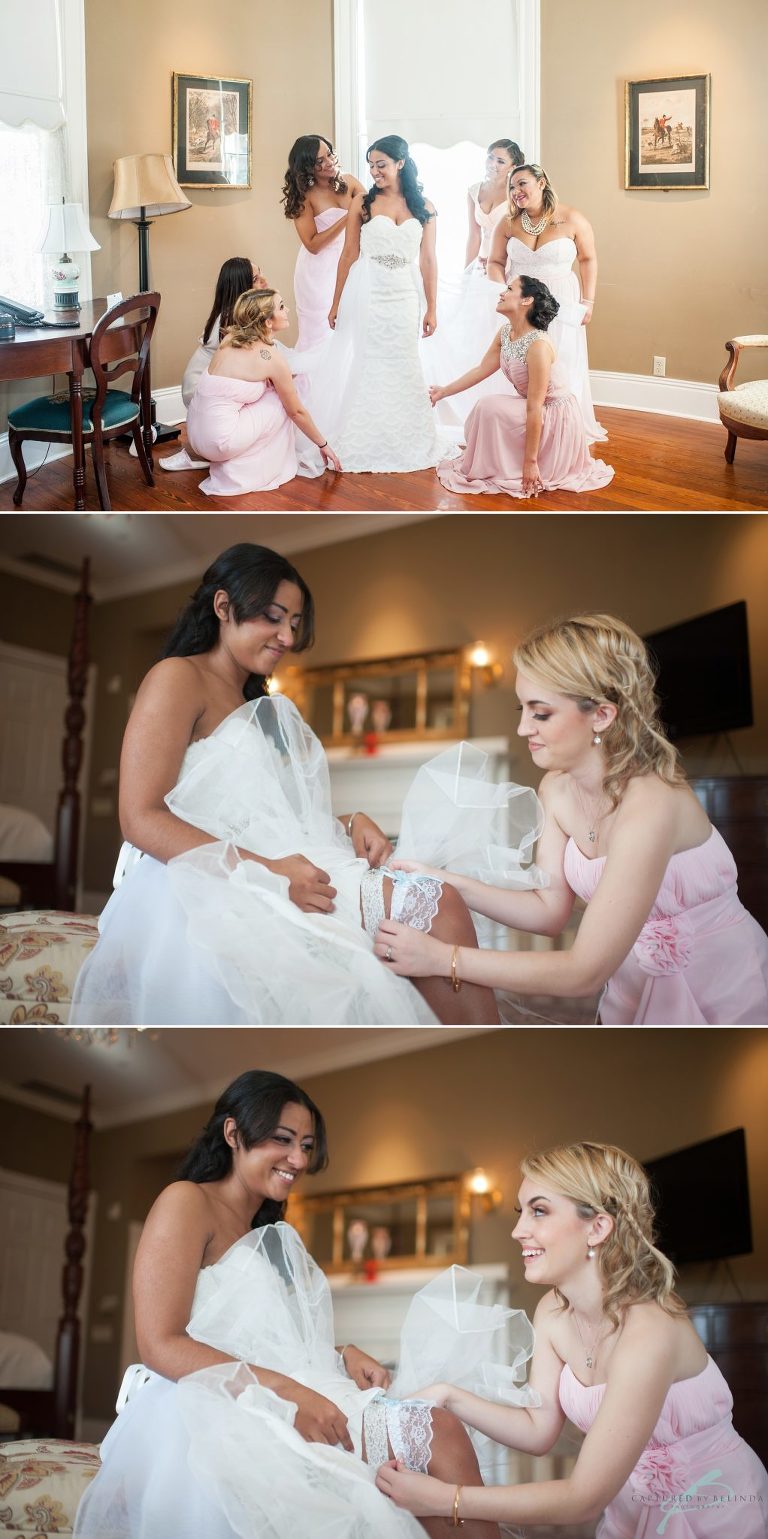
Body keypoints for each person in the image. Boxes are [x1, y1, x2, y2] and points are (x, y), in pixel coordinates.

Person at [69, 543, 513, 1026]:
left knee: (437, 900)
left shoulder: (251, 702)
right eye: (273, 617)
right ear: (223, 607)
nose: (286, 636)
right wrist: (273, 874)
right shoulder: (177, 678)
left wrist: (350, 821)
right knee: (427, 908)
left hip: (277, 861)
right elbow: (140, 818)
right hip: (215, 876)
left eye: (294, 623)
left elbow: (267, 816)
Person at [73, 1070, 512, 1538]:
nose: (298, 1158)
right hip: (232, 1405)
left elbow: (266, 1336)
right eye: (283, 1140)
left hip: (291, 1386)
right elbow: (159, 1344)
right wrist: (291, 1395)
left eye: (306, 1145)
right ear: (233, 1133)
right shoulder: (187, 1202)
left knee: (429, 1461)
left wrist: (344, 1353)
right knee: (434, 1438)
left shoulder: (268, 1231)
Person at [376, 612, 768, 1024]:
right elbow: (548, 910)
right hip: (634, 983)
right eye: (522, 708)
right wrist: (447, 880)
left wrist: (442, 958)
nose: (523, 727)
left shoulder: (652, 805)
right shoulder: (556, 790)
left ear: (601, 715)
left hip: (724, 987)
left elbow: (584, 972)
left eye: (540, 713)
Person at [376, 1140, 768, 1534]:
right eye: (521, 1211)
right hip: (631, 1511)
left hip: (716, 1510)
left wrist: (445, 1499)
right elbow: (537, 1428)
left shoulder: (650, 1331)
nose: (517, 1230)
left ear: (597, 1227)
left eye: (539, 1211)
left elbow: (583, 1498)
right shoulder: (552, 1310)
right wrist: (448, 1395)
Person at [298, 134, 459, 474]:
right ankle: (365, 435)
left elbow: (429, 260)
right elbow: (348, 254)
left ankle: (410, 434)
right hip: (369, 293)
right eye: (370, 165)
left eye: (381, 165)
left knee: (404, 359)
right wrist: (336, 302)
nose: (374, 172)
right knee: (370, 361)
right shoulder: (364, 203)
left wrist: (432, 307)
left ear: (401, 163)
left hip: (405, 295)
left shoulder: (425, 207)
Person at [431, 275, 614, 499]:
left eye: (509, 289)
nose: (501, 292)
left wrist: (531, 464)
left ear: (526, 300)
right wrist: (442, 392)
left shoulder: (538, 345)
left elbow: (535, 407)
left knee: (490, 408)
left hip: (555, 415)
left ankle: (515, 465)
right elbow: (481, 370)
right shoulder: (506, 333)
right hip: (535, 406)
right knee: (485, 406)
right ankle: (492, 465)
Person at [487, 163, 606, 442]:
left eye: (522, 184)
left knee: (560, 361)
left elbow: (588, 259)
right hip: (521, 302)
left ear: (541, 183)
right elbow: (495, 262)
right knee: (521, 361)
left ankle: (561, 427)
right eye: (512, 187)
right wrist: (505, 290)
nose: (516, 191)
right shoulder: (507, 223)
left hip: (560, 300)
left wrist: (588, 301)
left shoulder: (572, 218)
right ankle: (524, 425)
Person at [184, 289, 341, 495]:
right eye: (282, 307)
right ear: (268, 322)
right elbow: (297, 412)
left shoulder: (229, 338)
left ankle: (243, 459)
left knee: (270, 390)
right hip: (218, 443)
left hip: (194, 436)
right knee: (282, 399)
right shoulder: (271, 358)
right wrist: (323, 444)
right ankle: (251, 470)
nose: (288, 310)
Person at [159, 257, 269, 473]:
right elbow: (256, 359)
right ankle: (205, 450)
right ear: (242, 287)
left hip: (203, 387)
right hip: (200, 390)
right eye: (256, 279)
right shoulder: (233, 321)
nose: (264, 282)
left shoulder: (231, 313)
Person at [282, 135, 365, 349]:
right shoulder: (305, 196)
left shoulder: (351, 182)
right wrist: (348, 217)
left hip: (352, 262)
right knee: (322, 334)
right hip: (318, 273)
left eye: (329, 154)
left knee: (354, 330)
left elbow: (374, 213)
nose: (328, 162)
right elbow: (312, 244)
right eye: (319, 161)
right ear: (307, 167)